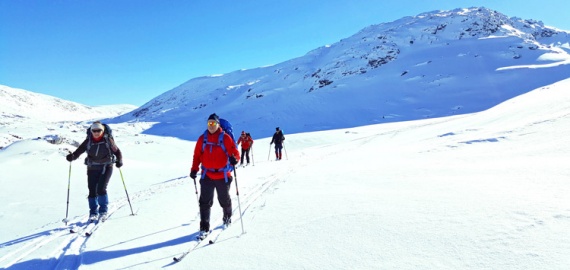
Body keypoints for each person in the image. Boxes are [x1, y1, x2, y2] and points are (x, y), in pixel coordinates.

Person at [190, 113, 240, 238]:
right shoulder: (203, 139)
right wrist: (194, 169)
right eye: (209, 123)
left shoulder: (225, 138)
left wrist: (235, 159)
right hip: (207, 175)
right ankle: (204, 227)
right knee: (204, 202)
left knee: (224, 200)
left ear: (218, 124)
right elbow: (197, 156)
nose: (211, 126)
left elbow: (235, 152)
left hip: (222, 175)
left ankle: (227, 217)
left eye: (213, 123)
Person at [65, 121, 123, 221]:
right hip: (92, 168)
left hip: (106, 166)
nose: (96, 132)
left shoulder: (108, 140)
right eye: (94, 130)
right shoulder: (88, 141)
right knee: (92, 191)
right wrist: (72, 157)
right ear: (91, 131)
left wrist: (119, 161)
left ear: (102, 130)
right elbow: (79, 151)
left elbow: (117, 151)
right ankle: (93, 213)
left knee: (101, 189)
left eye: (98, 130)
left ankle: (103, 211)